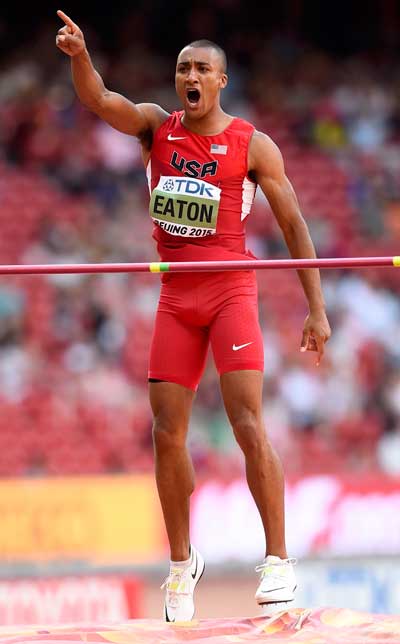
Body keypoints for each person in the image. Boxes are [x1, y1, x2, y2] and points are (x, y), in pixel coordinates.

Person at [56, 10, 331, 622]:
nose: (191, 75)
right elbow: (100, 99)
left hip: (231, 291)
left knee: (247, 424)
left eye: (202, 67)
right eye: (183, 67)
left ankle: (279, 561)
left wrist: (316, 307)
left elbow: (293, 225)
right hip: (177, 296)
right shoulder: (157, 127)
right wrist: (79, 56)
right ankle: (182, 565)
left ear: (222, 80)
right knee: (166, 434)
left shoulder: (252, 144)